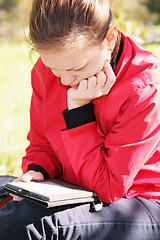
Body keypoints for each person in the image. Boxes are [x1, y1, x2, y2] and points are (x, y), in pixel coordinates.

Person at [0, 0, 160, 239]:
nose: (65, 81)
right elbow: (42, 143)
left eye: (78, 68)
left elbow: (107, 187)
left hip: (138, 201)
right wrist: (38, 170)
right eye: (55, 69)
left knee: (31, 224)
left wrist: (78, 111)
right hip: (73, 188)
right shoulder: (46, 73)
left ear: (109, 38)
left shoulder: (145, 88)